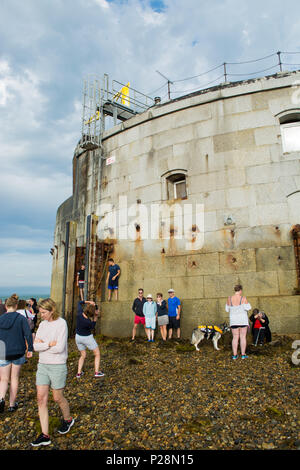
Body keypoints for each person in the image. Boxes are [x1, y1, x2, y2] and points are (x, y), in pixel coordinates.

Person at [31, 298, 74, 447]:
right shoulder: (42, 324)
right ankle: (45, 435)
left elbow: (60, 348)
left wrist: (42, 344)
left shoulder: (61, 323)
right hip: (42, 364)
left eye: (43, 312)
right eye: (40, 312)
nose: (40, 315)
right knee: (40, 399)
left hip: (57, 365)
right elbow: (34, 347)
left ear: (51, 311)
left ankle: (68, 419)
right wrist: (49, 343)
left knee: (57, 397)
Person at [0, 294, 33, 413]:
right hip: (18, 351)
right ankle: (12, 405)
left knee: (3, 379)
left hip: (3, 352)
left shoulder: (1, 319)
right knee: (14, 378)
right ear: (15, 306)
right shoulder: (21, 319)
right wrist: (30, 349)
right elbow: (28, 334)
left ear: (6, 306)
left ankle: (1, 399)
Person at [75, 300, 104, 378]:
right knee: (97, 354)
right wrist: (96, 316)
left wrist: (89, 302)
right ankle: (97, 372)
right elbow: (92, 327)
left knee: (83, 355)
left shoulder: (79, 313)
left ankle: (79, 373)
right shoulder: (88, 322)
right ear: (92, 314)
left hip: (78, 337)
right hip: (87, 338)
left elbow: (79, 303)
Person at [225, 285, 251, 360]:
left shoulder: (229, 299)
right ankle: (243, 355)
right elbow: (248, 308)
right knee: (243, 337)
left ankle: (234, 355)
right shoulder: (243, 298)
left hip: (233, 321)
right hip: (242, 320)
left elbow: (227, 309)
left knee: (235, 337)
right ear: (240, 290)